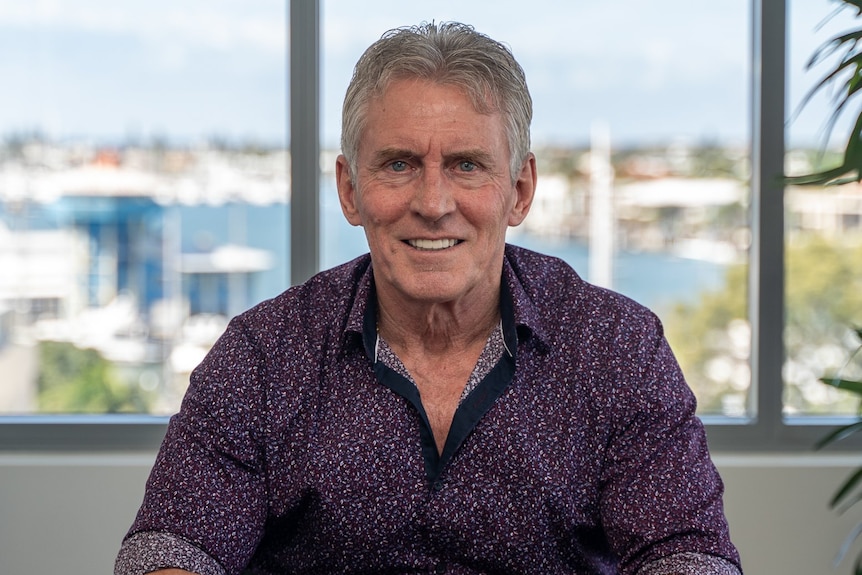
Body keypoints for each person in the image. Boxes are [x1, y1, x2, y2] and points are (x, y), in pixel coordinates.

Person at [115, 21, 742, 575]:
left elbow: (687, 554)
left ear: (519, 191)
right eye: (398, 165)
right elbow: (168, 550)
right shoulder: (264, 356)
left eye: (468, 165)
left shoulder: (616, 349)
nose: (434, 203)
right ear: (350, 189)